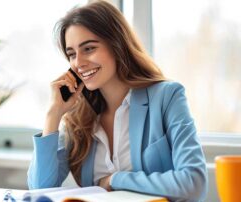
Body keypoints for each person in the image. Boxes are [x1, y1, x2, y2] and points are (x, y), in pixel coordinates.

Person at [27, 1, 208, 201]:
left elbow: (194, 183)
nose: (78, 63)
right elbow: (39, 190)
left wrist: (116, 180)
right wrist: (53, 114)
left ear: (116, 44)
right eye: (71, 54)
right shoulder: (78, 119)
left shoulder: (167, 97)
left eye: (88, 49)